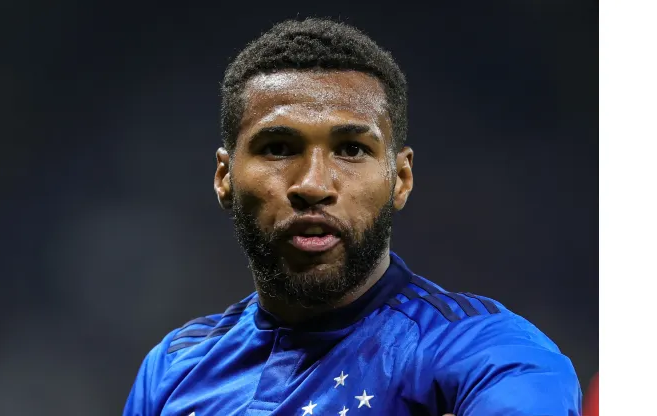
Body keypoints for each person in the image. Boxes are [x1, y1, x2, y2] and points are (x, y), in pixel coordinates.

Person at [123, 18, 581, 416]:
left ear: (400, 179)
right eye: (278, 148)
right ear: (225, 177)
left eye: (351, 149)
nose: (314, 184)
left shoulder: (487, 354)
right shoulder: (173, 367)